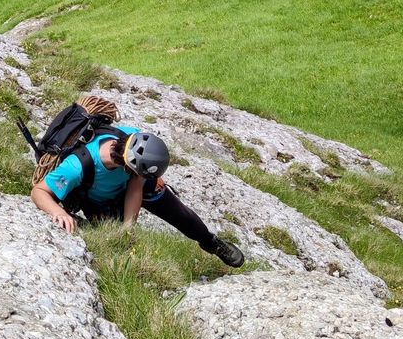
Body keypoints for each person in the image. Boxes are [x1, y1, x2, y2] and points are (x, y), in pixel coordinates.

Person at [29, 98, 245, 267]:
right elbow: (39, 192)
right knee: (113, 243)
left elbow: (135, 186)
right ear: (127, 164)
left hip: (127, 185)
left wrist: (128, 228)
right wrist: (58, 212)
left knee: (178, 212)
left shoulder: (131, 137)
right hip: (101, 200)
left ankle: (210, 242)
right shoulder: (78, 166)